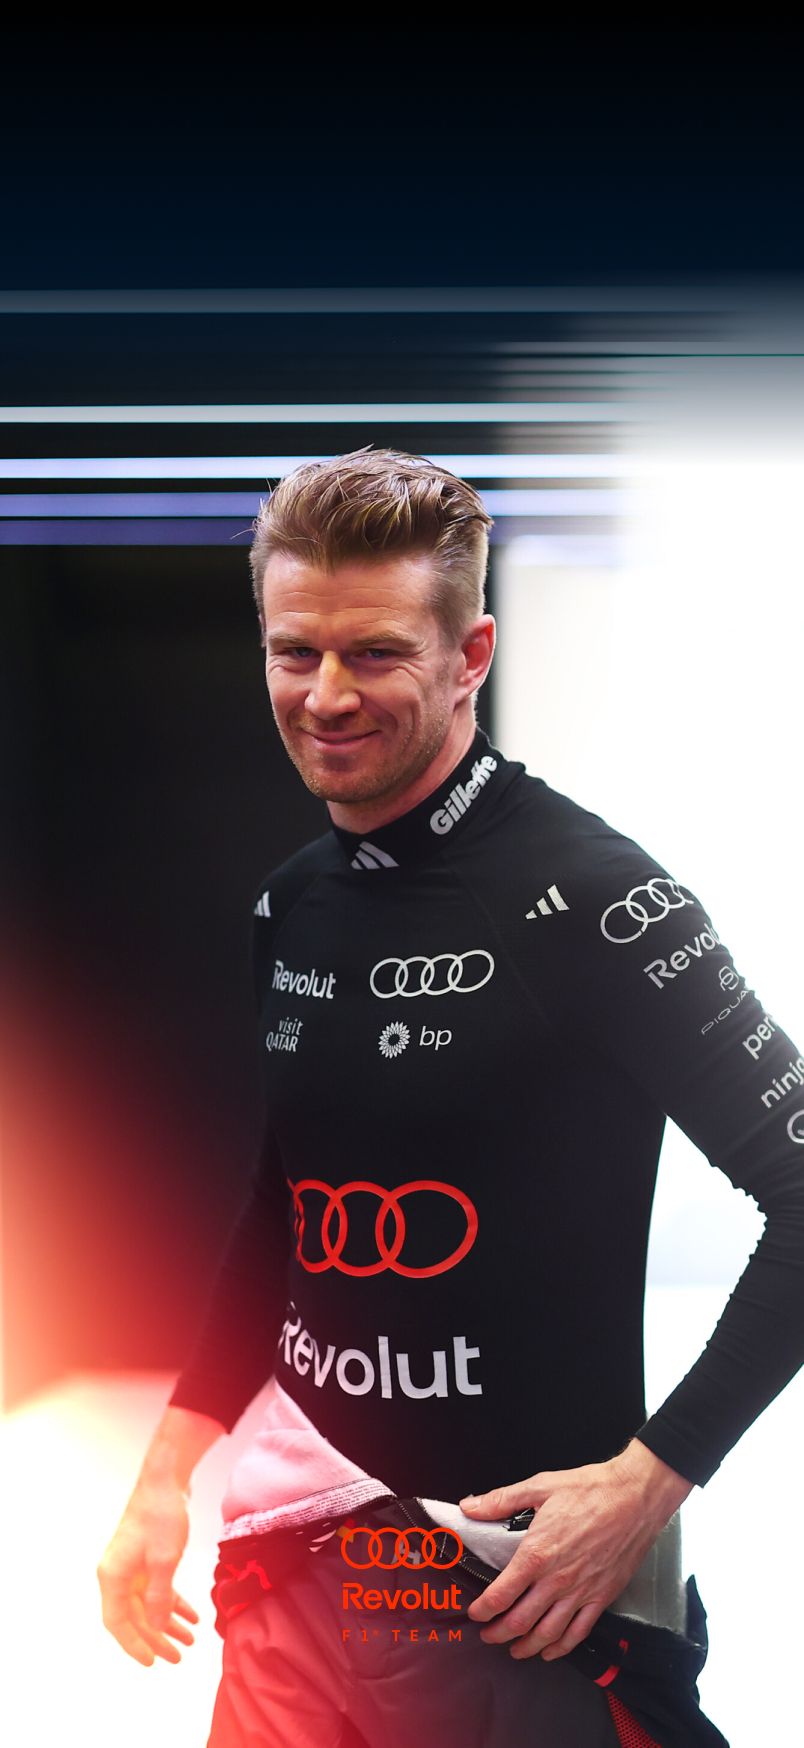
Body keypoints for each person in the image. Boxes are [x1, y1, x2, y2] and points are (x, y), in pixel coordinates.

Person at [98, 446, 804, 1747]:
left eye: (373, 653)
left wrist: (653, 1483)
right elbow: (286, 1207)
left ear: (471, 652)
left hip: (526, 1607)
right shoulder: (296, 898)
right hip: (298, 1565)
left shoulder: (593, 898)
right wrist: (168, 1468)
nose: (324, 695)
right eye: (293, 650)